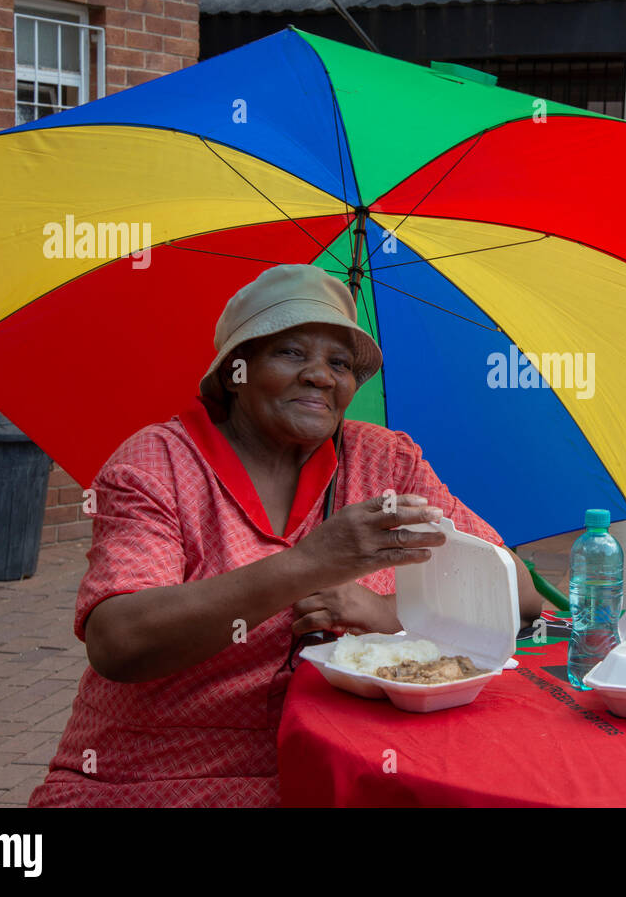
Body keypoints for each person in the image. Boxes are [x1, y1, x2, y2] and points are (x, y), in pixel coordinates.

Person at [29, 264, 545, 807]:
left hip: (346, 766)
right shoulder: (157, 463)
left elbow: (522, 592)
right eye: (292, 353)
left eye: (339, 363)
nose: (321, 376)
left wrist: (389, 614)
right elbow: (120, 642)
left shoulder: (385, 461)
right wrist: (310, 562)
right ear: (236, 372)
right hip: (153, 776)